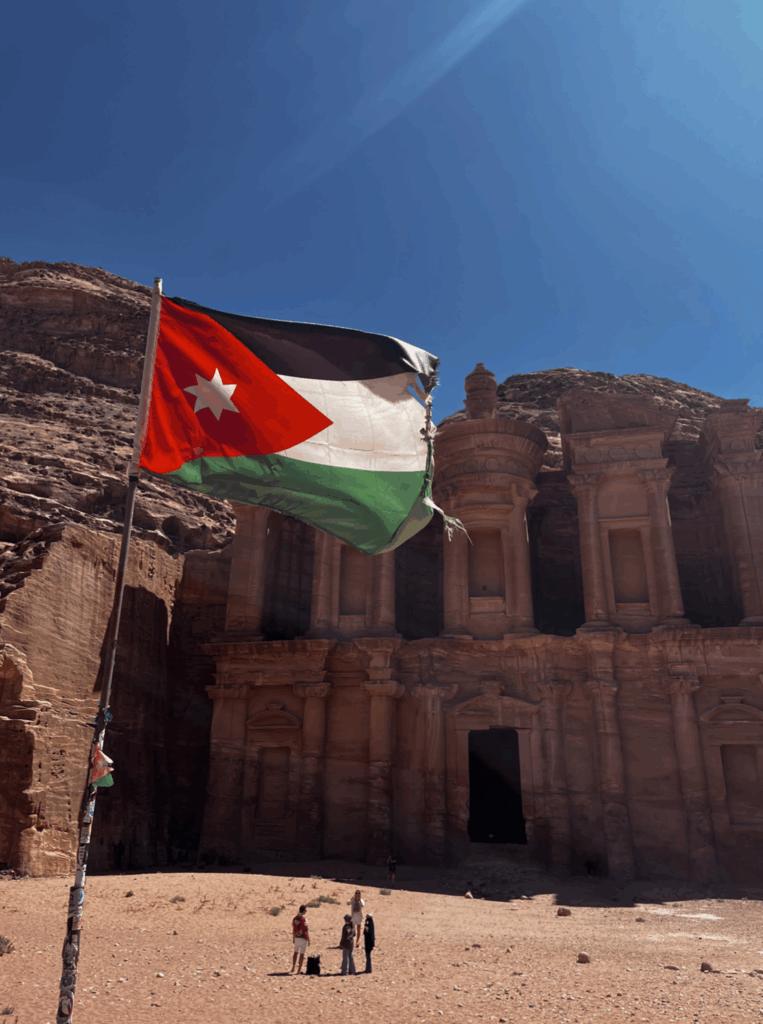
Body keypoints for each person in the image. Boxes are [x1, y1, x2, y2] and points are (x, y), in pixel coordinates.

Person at [291, 905, 310, 974]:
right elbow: (306, 930)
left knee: (295, 953)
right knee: (302, 954)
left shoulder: (295, 919)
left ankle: (293, 967)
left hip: (296, 937)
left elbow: (293, 929)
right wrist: (309, 939)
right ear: (304, 911)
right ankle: (298, 970)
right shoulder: (303, 919)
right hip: (303, 938)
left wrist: (293, 938)